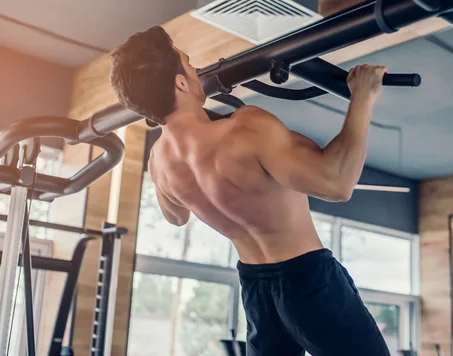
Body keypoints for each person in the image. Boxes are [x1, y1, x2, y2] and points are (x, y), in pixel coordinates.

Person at [111, 26, 391, 356]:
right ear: (181, 83)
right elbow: (337, 184)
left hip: (256, 289)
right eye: (188, 64)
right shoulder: (246, 128)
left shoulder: (159, 163)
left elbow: (176, 217)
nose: (195, 71)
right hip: (307, 277)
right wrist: (363, 96)